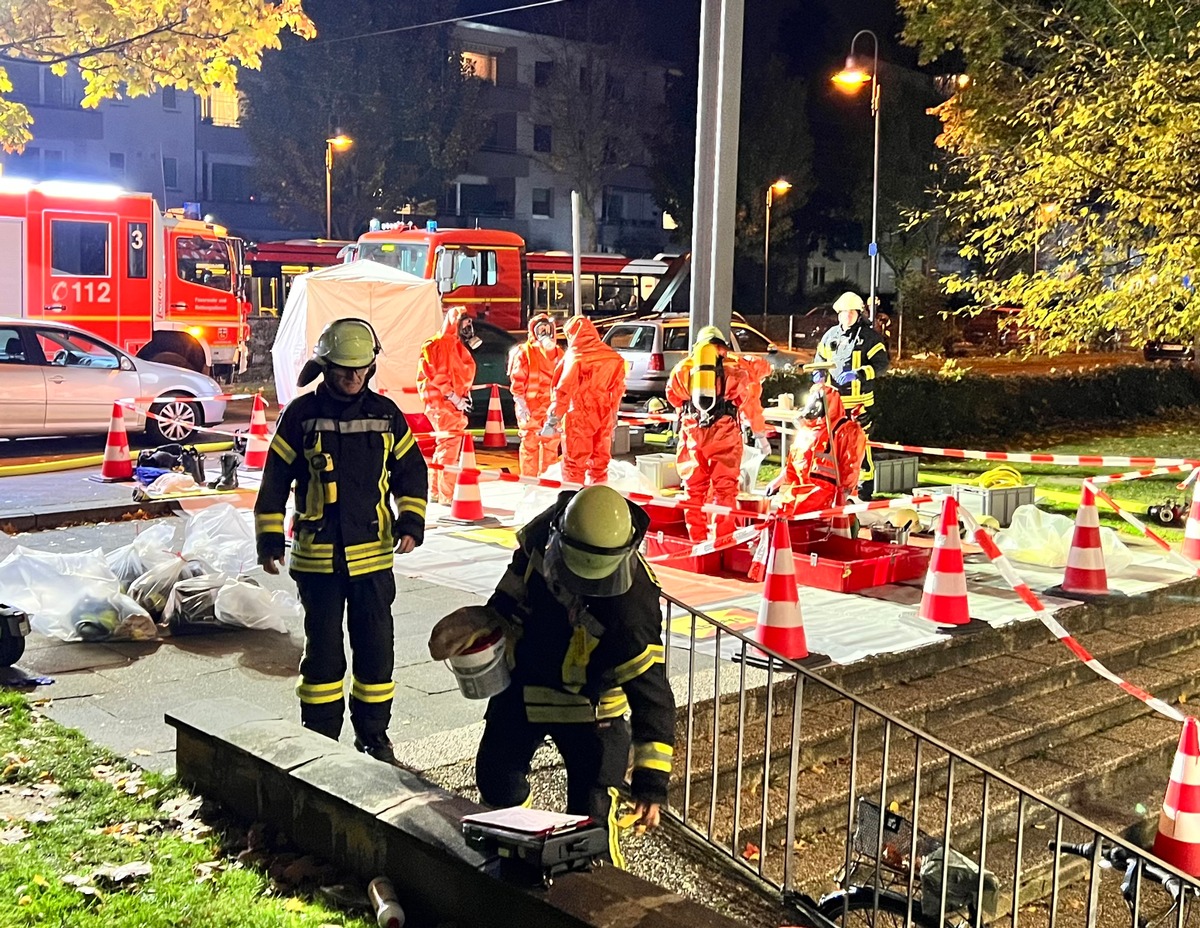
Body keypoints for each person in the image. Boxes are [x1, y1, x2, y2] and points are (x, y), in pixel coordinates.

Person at [428, 485, 673, 868]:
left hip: (595, 714)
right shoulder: (541, 539)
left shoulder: (632, 607)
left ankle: (596, 902)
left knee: (589, 827)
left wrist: (651, 784)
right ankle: (510, 862)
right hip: (528, 686)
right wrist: (493, 619)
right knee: (497, 780)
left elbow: (651, 694)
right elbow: (514, 588)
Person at [255, 318, 428, 764]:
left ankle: (373, 736)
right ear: (324, 366)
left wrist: (411, 521)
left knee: (376, 651)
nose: (353, 378)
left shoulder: (386, 415)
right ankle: (319, 738)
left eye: (361, 369)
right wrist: (270, 537)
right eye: (343, 370)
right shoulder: (300, 415)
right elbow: (274, 479)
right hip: (318, 560)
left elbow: (411, 472)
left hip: (372, 558)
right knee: (324, 656)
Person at [666, 326, 750, 542]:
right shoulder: (734, 368)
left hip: (693, 433)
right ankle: (722, 542)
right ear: (722, 346)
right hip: (724, 433)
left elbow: (673, 397)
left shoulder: (682, 368)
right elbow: (744, 399)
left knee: (693, 490)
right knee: (725, 490)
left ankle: (697, 542)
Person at [814, 291, 890, 499]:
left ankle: (865, 485)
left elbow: (882, 365)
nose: (846, 316)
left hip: (861, 404)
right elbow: (819, 359)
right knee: (834, 444)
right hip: (835, 403)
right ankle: (838, 484)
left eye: (851, 312)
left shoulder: (869, 337)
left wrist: (859, 374)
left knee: (860, 445)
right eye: (843, 312)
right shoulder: (831, 335)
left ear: (858, 314)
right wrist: (817, 375)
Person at [542, 316, 626, 485]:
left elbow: (564, 390)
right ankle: (598, 501)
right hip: (604, 411)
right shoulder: (613, 357)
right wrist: (614, 414)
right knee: (600, 463)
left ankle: (572, 502)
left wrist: (552, 420)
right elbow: (618, 389)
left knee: (574, 464)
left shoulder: (575, 356)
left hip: (580, 413)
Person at [768, 382, 865, 516]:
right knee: (782, 520)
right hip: (799, 494)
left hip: (827, 498)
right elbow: (795, 463)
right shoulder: (807, 431)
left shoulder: (844, 431)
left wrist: (844, 495)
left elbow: (851, 466)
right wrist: (779, 481)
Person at [417, 306, 478, 504]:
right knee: (450, 444)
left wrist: (461, 397)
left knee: (445, 445)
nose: (469, 328)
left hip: (449, 402)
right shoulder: (437, 345)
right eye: (466, 324)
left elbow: (460, 376)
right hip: (440, 402)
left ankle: (436, 491)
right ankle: (446, 494)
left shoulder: (456, 346)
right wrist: (453, 397)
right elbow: (438, 375)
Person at [508, 313, 564, 477]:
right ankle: (529, 483)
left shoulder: (559, 354)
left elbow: (564, 382)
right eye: (541, 329)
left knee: (551, 446)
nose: (544, 333)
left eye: (547, 329)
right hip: (531, 408)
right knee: (530, 445)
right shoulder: (524, 352)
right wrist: (520, 404)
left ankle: (548, 483)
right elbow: (517, 381)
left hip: (551, 408)